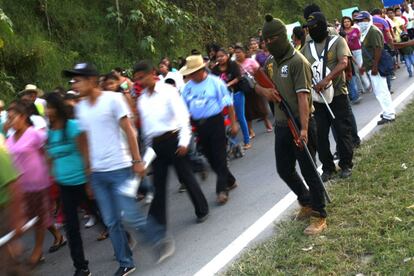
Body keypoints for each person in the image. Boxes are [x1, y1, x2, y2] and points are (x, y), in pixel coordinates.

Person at [64, 62, 174, 276]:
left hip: (120, 168)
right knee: (112, 221)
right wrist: (88, 175)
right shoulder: (80, 109)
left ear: (91, 80)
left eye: (77, 79)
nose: (74, 84)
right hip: (98, 174)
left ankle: (159, 239)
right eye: (73, 80)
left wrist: (137, 161)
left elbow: (129, 131)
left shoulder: (113, 100)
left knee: (130, 215)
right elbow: (85, 142)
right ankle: (126, 262)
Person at [254, 14, 327, 235]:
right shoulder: (269, 63)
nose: (267, 45)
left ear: (281, 37)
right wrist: (265, 91)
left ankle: (319, 215)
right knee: (284, 169)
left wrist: (304, 129)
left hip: (300, 123)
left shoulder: (298, 62)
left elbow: (304, 98)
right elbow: (256, 86)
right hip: (281, 125)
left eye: (270, 40)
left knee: (309, 170)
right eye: (264, 41)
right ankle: (306, 201)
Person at [133, 60, 209, 227]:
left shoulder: (168, 91)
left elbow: (182, 117)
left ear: (152, 73)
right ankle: (157, 224)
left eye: (142, 77)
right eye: (137, 79)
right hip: (156, 145)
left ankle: (202, 209)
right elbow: (146, 130)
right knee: (158, 185)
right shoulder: (142, 100)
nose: (140, 81)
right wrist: (147, 156)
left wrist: (184, 141)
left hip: (174, 140)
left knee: (186, 177)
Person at [5, 100, 66, 267]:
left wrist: (51, 171)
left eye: (12, 117)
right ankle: (58, 237)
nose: (9, 121)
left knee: (39, 218)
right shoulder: (9, 139)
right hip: (20, 186)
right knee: (33, 217)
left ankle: (38, 251)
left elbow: (47, 152)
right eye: (8, 118)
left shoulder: (34, 134)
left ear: (23, 117)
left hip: (39, 183)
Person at [45, 92, 97, 276]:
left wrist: (90, 182)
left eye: (49, 106)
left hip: (82, 182)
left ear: (57, 108)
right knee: (72, 229)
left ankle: (123, 241)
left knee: (103, 217)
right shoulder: (50, 132)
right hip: (64, 186)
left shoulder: (74, 127)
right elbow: (50, 157)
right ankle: (81, 267)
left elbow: (85, 153)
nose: (46, 110)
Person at [301, 12, 355, 181]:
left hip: (337, 94)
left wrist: (326, 80)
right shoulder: (306, 47)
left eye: (315, 27)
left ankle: (346, 164)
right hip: (317, 99)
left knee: (342, 130)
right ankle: (328, 168)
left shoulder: (337, 40)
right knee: (320, 134)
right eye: (309, 28)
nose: (312, 31)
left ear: (323, 25)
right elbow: (301, 66)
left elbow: (344, 62)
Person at [180, 55, 239, 204]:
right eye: (190, 73)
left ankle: (222, 189)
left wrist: (233, 123)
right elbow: (183, 109)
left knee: (219, 156)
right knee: (210, 157)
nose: (191, 76)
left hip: (215, 122)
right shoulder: (186, 88)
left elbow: (228, 103)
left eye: (194, 72)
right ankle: (230, 180)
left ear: (201, 69)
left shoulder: (215, 82)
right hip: (199, 125)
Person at [354, 11, 396, 125]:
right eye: (358, 21)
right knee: (380, 90)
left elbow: (378, 49)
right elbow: (367, 51)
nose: (360, 23)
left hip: (376, 66)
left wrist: (375, 66)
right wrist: (364, 66)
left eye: (362, 20)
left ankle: (389, 115)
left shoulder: (373, 31)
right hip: (371, 65)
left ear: (368, 20)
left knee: (381, 91)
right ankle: (387, 111)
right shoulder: (366, 32)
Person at [212, 48, 251, 149]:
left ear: (227, 56)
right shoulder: (215, 70)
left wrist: (228, 84)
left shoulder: (233, 64)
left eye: (222, 56)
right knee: (227, 120)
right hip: (223, 97)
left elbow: (238, 77)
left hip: (237, 93)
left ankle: (247, 141)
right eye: (218, 57)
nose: (220, 58)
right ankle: (233, 144)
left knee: (240, 117)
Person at [234, 43, 273, 138]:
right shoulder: (234, 65)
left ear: (244, 53)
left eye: (239, 52)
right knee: (247, 110)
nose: (237, 54)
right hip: (244, 89)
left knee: (260, 106)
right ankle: (251, 131)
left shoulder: (250, 61)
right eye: (236, 53)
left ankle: (267, 123)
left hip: (255, 87)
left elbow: (258, 71)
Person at [0, 143, 27, 276]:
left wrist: (17, 220)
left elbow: (15, 187)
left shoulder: (0, 154)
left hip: (4, 211)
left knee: (6, 265)